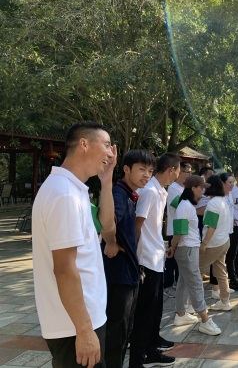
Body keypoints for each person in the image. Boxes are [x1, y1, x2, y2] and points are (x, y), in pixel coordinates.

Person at [32, 121, 116, 368]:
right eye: (107, 145)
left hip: (82, 320)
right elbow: (64, 269)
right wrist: (84, 329)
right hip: (74, 326)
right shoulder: (64, 195)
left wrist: (107, 180)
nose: (111, 153)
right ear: (84, 144)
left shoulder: (74, 190)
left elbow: (107, 227)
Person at [102, 149, 155, 368]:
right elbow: (106, 220)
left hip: (128, 272)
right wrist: (110, 241)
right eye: (142, 169)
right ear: (126, 169)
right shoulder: (119, 194)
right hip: (119, 274)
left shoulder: (130, 194)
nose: (147, 175)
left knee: (124, 330)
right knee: (116, 332)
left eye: (150, 170)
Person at [128, 152, 181, 368]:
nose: (179, 175)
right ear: (171, 170)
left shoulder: (160, 191)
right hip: (146, 260)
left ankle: (151, 350)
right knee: (144, 314)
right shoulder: (149, 192)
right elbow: (137, 225)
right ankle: (137, 360)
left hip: (156, 257)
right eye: (179, 170)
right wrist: (133, 257)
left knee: (154, 311)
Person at [169, 175, 222, 335]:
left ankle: (181, 314)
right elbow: (179, 231)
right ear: (193, 188)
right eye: (201, 188)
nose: (203, 191)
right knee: (195, 282)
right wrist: (172, 246)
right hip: (187, 249)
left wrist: (174, 247)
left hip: (188, 248)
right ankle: (204, 319)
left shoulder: (186, 205)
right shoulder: (185, 206)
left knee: (184, 282)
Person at [200, 175, 234, 311]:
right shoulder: (224, 201)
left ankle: (191, 304)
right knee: (220, 271)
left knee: (196, 271)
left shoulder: (213, 203)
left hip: (213, 243)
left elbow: (211, 226)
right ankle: (225, 301)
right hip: (224, 240)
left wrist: (204, 243)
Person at [164, 162, 192, 298]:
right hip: (174, 229)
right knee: (171, 259)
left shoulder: (184, 188)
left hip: (183, 229)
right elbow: (178, 205)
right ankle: (167, 285)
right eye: (188, 172)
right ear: (180, 172)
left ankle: (177, 283)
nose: (190, 174)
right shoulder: (173, 188)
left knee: (179, 260)